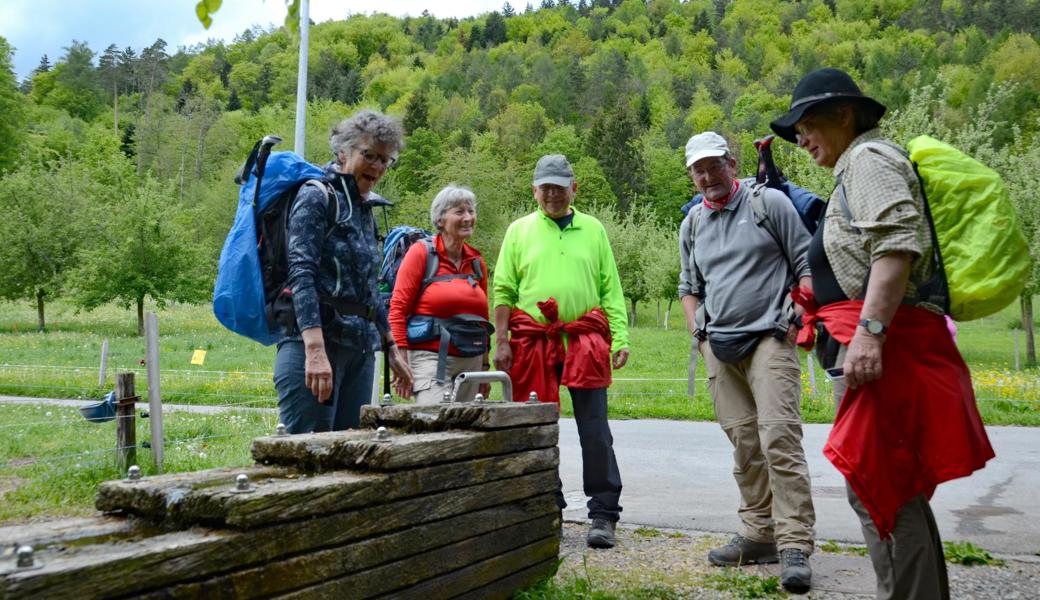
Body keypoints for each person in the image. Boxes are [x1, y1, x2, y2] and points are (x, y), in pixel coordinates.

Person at [771, 67, 994, 600]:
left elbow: (897, 244)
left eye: (807, 125)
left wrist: (869, 333)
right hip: (862, 342)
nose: (800, 140)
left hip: (878, 349)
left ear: (844, 115)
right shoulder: (855, 168)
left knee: (884, 488)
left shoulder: (869, 160)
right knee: (881, 487)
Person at [677, 132, 816, 593]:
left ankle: (794, 543)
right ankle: (760, 534)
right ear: (692, 176)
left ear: (732, 164)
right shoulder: (692, 223)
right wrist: (699, 336)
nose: (707, 175)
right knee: (743, 441)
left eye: (715, 165)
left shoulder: (769, 204)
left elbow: (805, 261)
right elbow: (688, 286)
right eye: (699, 169)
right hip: (720, 344)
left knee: (779, 436)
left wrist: (800, 310)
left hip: (771, 338)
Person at [493, 154, 630, 550]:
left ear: (574, 188)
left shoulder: (594, 230)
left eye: (559, 186)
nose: (552, 194)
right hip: (533, 342)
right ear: (534, 190)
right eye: (544, 187)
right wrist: (501, 341)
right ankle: (543, 503)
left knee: (595, 429)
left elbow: (610, 288)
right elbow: (502, 289)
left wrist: (619, 337)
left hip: (583, 341)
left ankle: (603, 513)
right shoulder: (519, 231)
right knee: (536, 426)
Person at [274, 109, 412, 434]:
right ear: (343, 152)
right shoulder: (316, 196)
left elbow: (368, 288)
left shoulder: (365, 208)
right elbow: (301, 273)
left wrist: (390, 346)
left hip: (359, 351)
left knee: (350, 458)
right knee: (311, 458)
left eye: (385, 159)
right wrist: (316, 350)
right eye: (369, 156)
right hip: (316, 347)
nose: (378, 167)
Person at [388, 184, 491, 403]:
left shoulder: (476, 262)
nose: (468, 217)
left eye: (471, 211)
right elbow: (397, 309)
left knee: (467, 433)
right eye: (459, 212)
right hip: (432, 360)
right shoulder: (421, 253)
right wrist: (401, 361)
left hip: (471, 361)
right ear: (441, 220)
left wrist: (485, 365)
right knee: (433, 426)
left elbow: (483, 320)